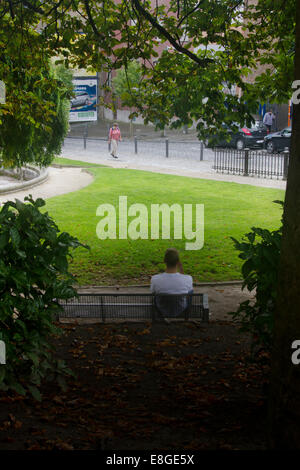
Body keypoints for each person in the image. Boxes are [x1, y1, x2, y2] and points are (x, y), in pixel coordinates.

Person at [150, 248, 193, 318]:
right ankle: (187, 315)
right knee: (190, 291)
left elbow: (152, 292)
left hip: (162, 309)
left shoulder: (155, 279)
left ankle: (158, 317)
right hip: (181, 309)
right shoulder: (188, 278)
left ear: (164, 261)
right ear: (178, 262)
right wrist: (181, 270)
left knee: (155, 293)